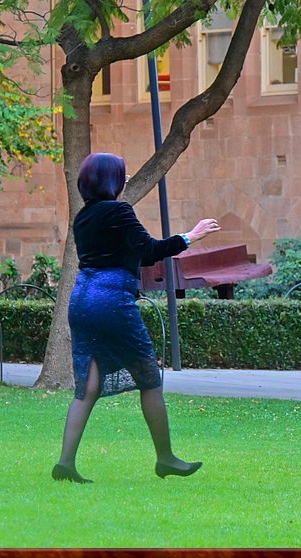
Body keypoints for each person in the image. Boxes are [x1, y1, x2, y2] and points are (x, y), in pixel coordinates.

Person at [52, 152, 221, 483]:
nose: (127, 180)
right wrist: (191, 236)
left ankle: (66, 463)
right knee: (149, 378)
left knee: (88, 385)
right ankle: (166, 458)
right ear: (111, 180)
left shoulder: (83, 217)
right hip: (111, 300)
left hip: (82, 301)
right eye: (123, 176)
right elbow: (150, 250)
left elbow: (126, 250)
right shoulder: (118, 211)